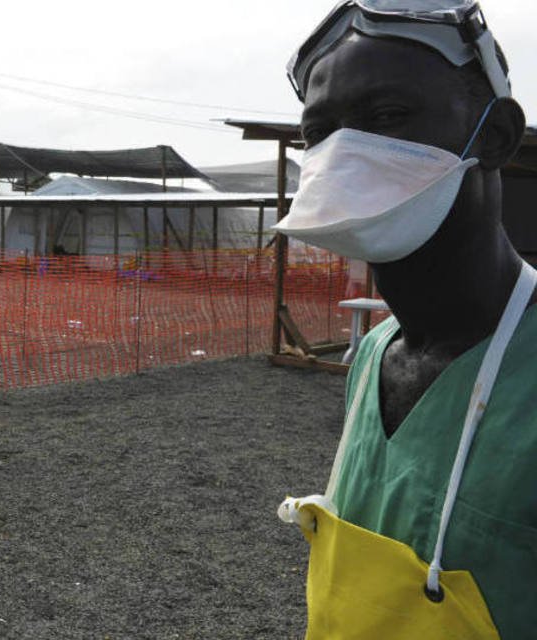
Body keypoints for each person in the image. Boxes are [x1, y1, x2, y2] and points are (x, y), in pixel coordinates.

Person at [275, 2, 535, 638]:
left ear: (495, 135)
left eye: (388, 117)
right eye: (320, 134)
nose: (345, 155)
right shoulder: (374, 356)